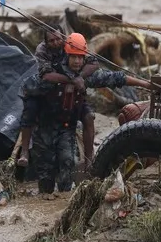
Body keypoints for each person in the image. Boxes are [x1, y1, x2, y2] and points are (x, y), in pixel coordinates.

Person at [26, 33, 152, 198]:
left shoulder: (85, 75)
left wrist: (145, 84)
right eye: (74, 57)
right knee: (45, 177)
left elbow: (115, 78)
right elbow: (28, 91)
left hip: (66, 128)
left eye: (80, 57)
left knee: (67, 163)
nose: (77, 62)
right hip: (44, 130)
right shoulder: (51, 72)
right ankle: (45, 198)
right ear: (67, 55)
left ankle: (66, 196)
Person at [18, 25, 99, 167]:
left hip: (67, 89)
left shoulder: (71, 44)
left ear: (64, 38)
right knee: (30, 109)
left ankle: (89, 159)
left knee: (88, 116)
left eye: (58, 39)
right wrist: (72, 79)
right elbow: (47, 75)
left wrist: (78, 77)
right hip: (42, 89)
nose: (55, 43)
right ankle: (24, 151)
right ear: (46, 42)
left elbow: (93, 62)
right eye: (51, 40)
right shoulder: (41, 51)